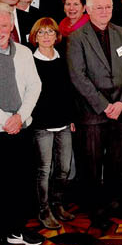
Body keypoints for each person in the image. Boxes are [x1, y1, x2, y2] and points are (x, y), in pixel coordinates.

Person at [66, 0, 122, 228]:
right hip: (92, 112)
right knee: (93, 165)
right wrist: (104, 105)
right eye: (99, 8)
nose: (105, 11)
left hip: (119, 111)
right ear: (88, 10)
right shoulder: (77, 37)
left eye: (108, 7)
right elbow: (78, 77)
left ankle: (115, 202)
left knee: (117, 162)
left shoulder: (121, 32)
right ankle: (96, 208)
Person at [0, 2, 44, 245]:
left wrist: (19, 117)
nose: (1, 30)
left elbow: (34, 87)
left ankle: (15, 229)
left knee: (20, 182)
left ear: (11, 27)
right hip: (1, 128)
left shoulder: (25, 52)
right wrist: (5, 120)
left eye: (5, 25)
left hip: (21, 128)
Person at [29, 17, 75, 229]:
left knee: (64, 168)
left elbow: (69, 91)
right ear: (35, 37)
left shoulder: (63, 57)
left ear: (57, 36)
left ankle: (57, 204)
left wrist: (72, 118)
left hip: (64, 123)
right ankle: (44, 209)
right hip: (41, 125)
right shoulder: (30, 60)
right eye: (41, 32)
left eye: (50, 32)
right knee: (43, 169)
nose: (46, 36)